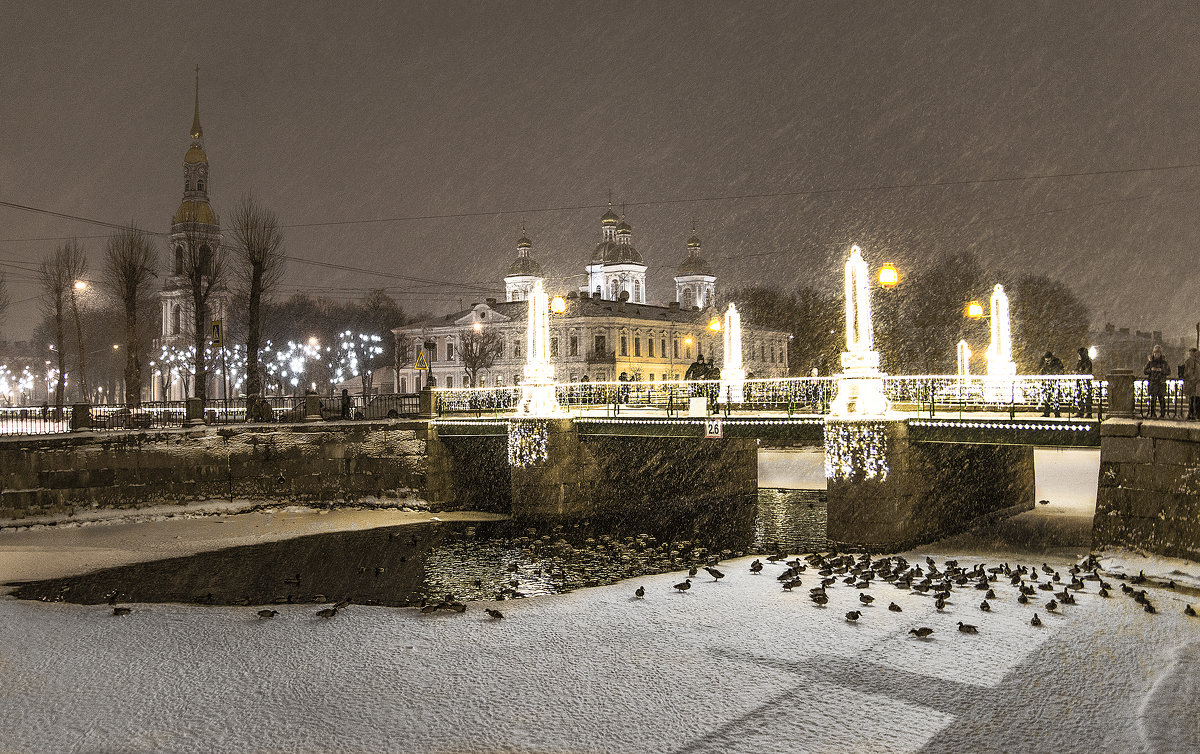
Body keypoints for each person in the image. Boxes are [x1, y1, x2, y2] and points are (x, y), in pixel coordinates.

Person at [1144, 344, 1170, 418]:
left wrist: (1161, 370)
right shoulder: (1150, 362)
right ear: (1153, 353)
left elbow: (1168, 371)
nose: (1156, 355)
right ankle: (1153, 413)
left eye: (1158, 353)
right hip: (1153, 383)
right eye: (1155, 353)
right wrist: (1151, 370)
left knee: (1162, 399)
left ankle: (1162, 414)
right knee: (1153, 399)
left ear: (1160, 354)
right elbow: (1145, 371)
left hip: (1161, 383)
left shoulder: (1164, 362)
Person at [1039, 350, 1064, 417]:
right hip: (1047, 382)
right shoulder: (1043, 362)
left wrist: (1054, 375)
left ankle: (1056, 412)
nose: (1047, 361)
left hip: (1054, 381)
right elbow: (1040, 370)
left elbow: (1061, 370)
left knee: (1055, 397)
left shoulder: (1056, 361)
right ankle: (1047, 412)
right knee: (1047, 397)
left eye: (1048, 360)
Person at [1074, 347, 1094, 418]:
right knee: (1080, 397)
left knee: (1087, 398)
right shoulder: (1081, 362)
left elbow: (1087, 372)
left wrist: (1079, 373)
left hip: (1085, 382)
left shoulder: (1087, 362)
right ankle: (1081, 411)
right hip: (1080, 382)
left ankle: (1088, 412)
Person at [1183, 347, 1200, 420]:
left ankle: (1194, 414)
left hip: (1195, 383)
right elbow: (1186, 372)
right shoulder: (1189, 362)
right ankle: (1192, 414)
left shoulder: (1196, 362)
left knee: (1195, 399)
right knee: (1192, 399)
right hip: (1192, 383)